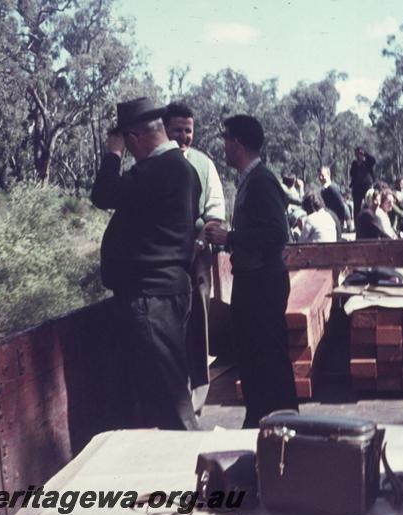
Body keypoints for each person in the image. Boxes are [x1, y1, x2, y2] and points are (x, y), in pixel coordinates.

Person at [90, 97, 201, 430]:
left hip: (152, 300)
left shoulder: (158, 169)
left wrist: (112, 153)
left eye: (127, 144)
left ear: (134, 138)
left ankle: (200, 476)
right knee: (161, 396)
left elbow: (103, 194)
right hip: (161, 296)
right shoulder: (181, 170)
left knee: (171, 403)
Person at [204, 115, 299, 428]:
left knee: (268, 357)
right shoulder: (250, 181)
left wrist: (228, 237)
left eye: (226, 139)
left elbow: (276, 234)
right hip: (254, 282)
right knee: (255, 357)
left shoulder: (261, 181)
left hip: (262, 285)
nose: (224, 146)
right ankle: (261, 421)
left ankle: (284, 427)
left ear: (238, 143)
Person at [163, 101, 226, 416]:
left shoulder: (204, 164)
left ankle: (198, 394)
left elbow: (215, 212)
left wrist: (200, 242)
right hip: (164, 262)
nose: (184, 136)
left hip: (197, 258)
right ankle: (174, 396)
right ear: (165, 130)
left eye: (188, 130)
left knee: (198, 321)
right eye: (177, 130)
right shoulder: (155, 165)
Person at [348, 147, 376, 225]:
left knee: (369, 204)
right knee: (356, 207)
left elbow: (373, 160)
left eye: (359, 153)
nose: (358, 154)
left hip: (367, 186)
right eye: (356, 153)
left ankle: (371, 222)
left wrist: (365, 153)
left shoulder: (368, 162)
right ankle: (357, 224)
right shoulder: (354, 163)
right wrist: (357, 165)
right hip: (357, 187)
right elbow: (351, 173)